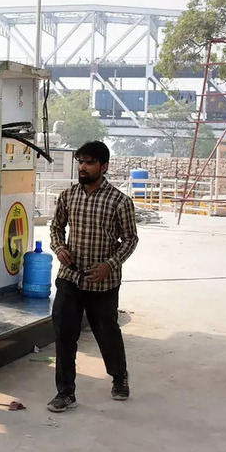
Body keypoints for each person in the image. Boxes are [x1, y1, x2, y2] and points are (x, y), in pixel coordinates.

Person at [46, 140, 139, 413]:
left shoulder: (119, 201)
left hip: (103, 282)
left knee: (106, 332)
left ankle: (119, 378)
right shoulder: (68, 195)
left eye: (89, 162)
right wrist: (59, 248)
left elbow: (130, 239)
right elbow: (56, 228)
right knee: (64, 335)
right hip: (70, 278)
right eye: (81, 162)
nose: (83, 167)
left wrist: (109, 265)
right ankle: (65, 393)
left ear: (104, 166)